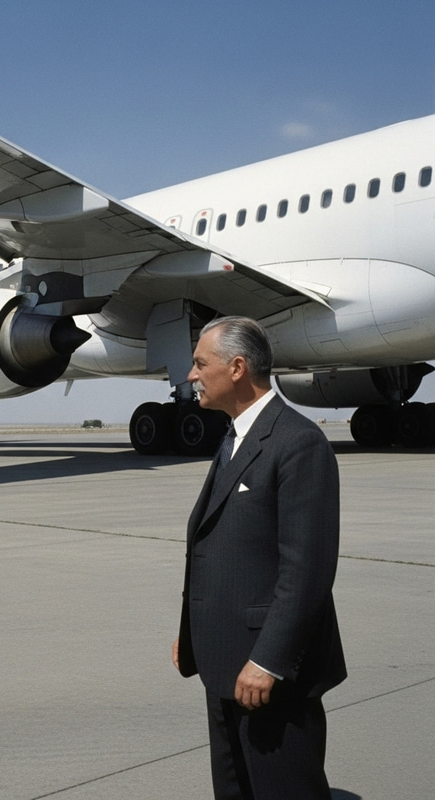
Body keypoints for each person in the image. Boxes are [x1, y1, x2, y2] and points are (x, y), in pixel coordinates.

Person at [172, 316, 346, 800]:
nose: (191, 375)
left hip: (269, 675)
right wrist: (193, 632)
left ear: (236, 368)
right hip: (223, 663)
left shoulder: (298, 442)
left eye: (200, 363)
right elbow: (222, 546)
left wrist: (268, 661)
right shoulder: (235, 436)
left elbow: (307, 570)